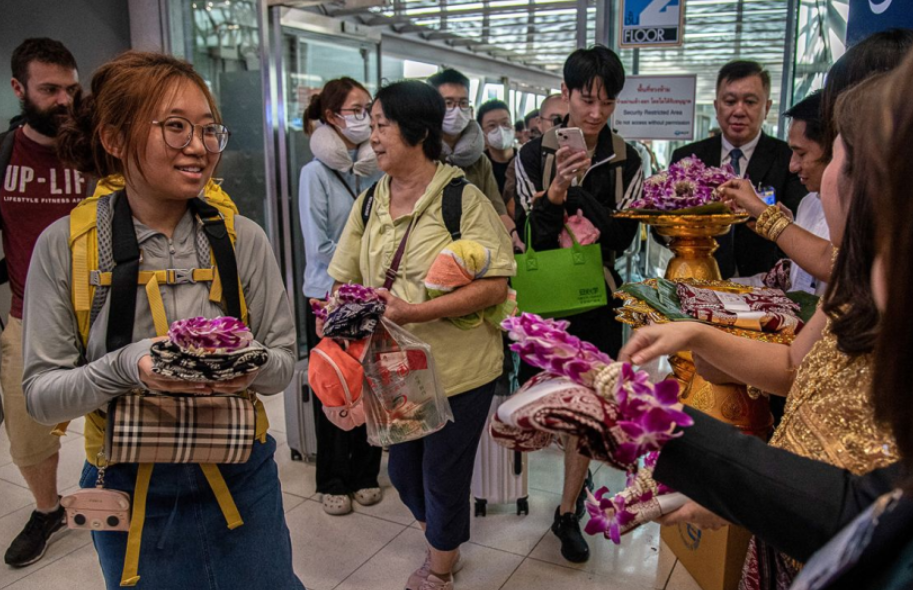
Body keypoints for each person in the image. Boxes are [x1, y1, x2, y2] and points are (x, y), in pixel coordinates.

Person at [618, 48, 913, 590]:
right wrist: (697, 331)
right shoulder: (855, 279)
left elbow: (861, 511)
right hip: (791, 534)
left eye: (830, 158)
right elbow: (793, 368)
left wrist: (650, 427)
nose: (811, 176)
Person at [22, 51, 303, 589]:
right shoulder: (68, 248)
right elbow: (41, 395)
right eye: (175, 127)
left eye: (207, 129)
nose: (198, 146)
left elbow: (283, 366)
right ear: (114, 139)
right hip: (126, 482)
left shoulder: (243, 239)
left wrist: (244, 365)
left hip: (241, 475)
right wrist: (129, 365)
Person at [327, 80, 514, 590]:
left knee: (442, 475)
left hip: (460, 369)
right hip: (395, 370)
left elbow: (496, 285)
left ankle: (440, 568)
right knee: (406, 474)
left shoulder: (462, 199)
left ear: (417, 132)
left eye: (382, 124)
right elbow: (343, 279)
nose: (373, 135)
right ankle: (444, 532)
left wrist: (413, 311)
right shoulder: (370, 200)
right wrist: (337, 347)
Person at [514, 45, 643, 564]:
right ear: (565, 94)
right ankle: (562, 484)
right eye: (587, 99)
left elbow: (623, 237)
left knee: (589, 410)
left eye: (607, 103)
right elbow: (536, 239)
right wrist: (554, 190)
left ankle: (567, 510)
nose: (595, 113)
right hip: (545, 300)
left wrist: (572, 190)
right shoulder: (530, 156)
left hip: (598, 302)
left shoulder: (628, 160)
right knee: (545, 406)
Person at [0, 38, 82, 568]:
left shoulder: (99, 152)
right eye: (50, 89)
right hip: (28, 318)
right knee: (28, 431)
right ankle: (48, 509)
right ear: (19, 90)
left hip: (103, 317)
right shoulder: (4, 156)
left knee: (124, 422)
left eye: (71, 89)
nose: (64, 102)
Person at [299, 77, 384, 516]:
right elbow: (318, 245)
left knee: (369, 383)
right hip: (327, 295)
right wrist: (359, 269)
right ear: (331, 116)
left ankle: (366, 472)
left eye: (368, 108)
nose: (364, 117)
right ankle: (332, 477)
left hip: (368, 294)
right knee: (334, 387)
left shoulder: (375, 168)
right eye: (355, 109)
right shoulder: (314, 174)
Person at [669, 60, 806, 279]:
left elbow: (801, 225)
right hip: (698, 279)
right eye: (730, 101)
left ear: (767, 107)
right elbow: (664, 224)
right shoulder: (687, 158)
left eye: (750, 101)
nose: (739, 111)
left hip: (765, 286)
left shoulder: (788, 158)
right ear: (716, 106)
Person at [726, 92, 830, 296]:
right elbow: (800, 281)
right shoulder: (809, 203)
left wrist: (762, 211)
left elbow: (830, 261)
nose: (792, 166)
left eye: (801, 154)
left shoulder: (862, 210)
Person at [427, 69, 521, 250]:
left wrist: (512, 234)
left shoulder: (479, 161)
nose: (457, 110)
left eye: (463, 103)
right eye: (448, 103)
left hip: (475, 248)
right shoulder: (423, 156)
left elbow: (496, 207)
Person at [477, 99, 515, 198]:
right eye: (492, 125)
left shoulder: (526, 159)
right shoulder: (478, 166)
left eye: (505, 123)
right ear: (482, 133)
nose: (501, 130)